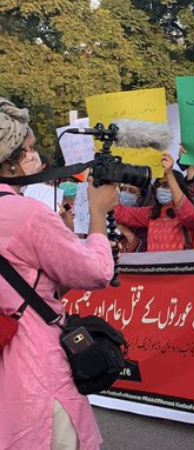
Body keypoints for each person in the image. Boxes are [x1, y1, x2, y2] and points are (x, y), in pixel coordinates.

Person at [0, 97, 118, 450]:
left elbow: (24, 288)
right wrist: (98, 213)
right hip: (35, 364)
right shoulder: (26, 214)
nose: (36, 156)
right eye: (30, 149)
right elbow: (96, 272)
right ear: (11, 159)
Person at [114, 154, 194, 252]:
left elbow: (186, 212)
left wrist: (169, 174)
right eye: (158, 184)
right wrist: (110, 177)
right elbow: (118, 212)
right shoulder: (152, 213)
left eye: (165, 185)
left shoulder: (189, 213)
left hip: (179, 266)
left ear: (178, 187)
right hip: (154, 267)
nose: (160, 188)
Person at [117, 183, 151, 253]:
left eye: (132, 191)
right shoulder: (113, 217)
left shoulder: (145, 222)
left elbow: (143, 253)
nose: (125, 193)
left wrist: (126, 232)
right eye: (123, 189)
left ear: (140, 198)